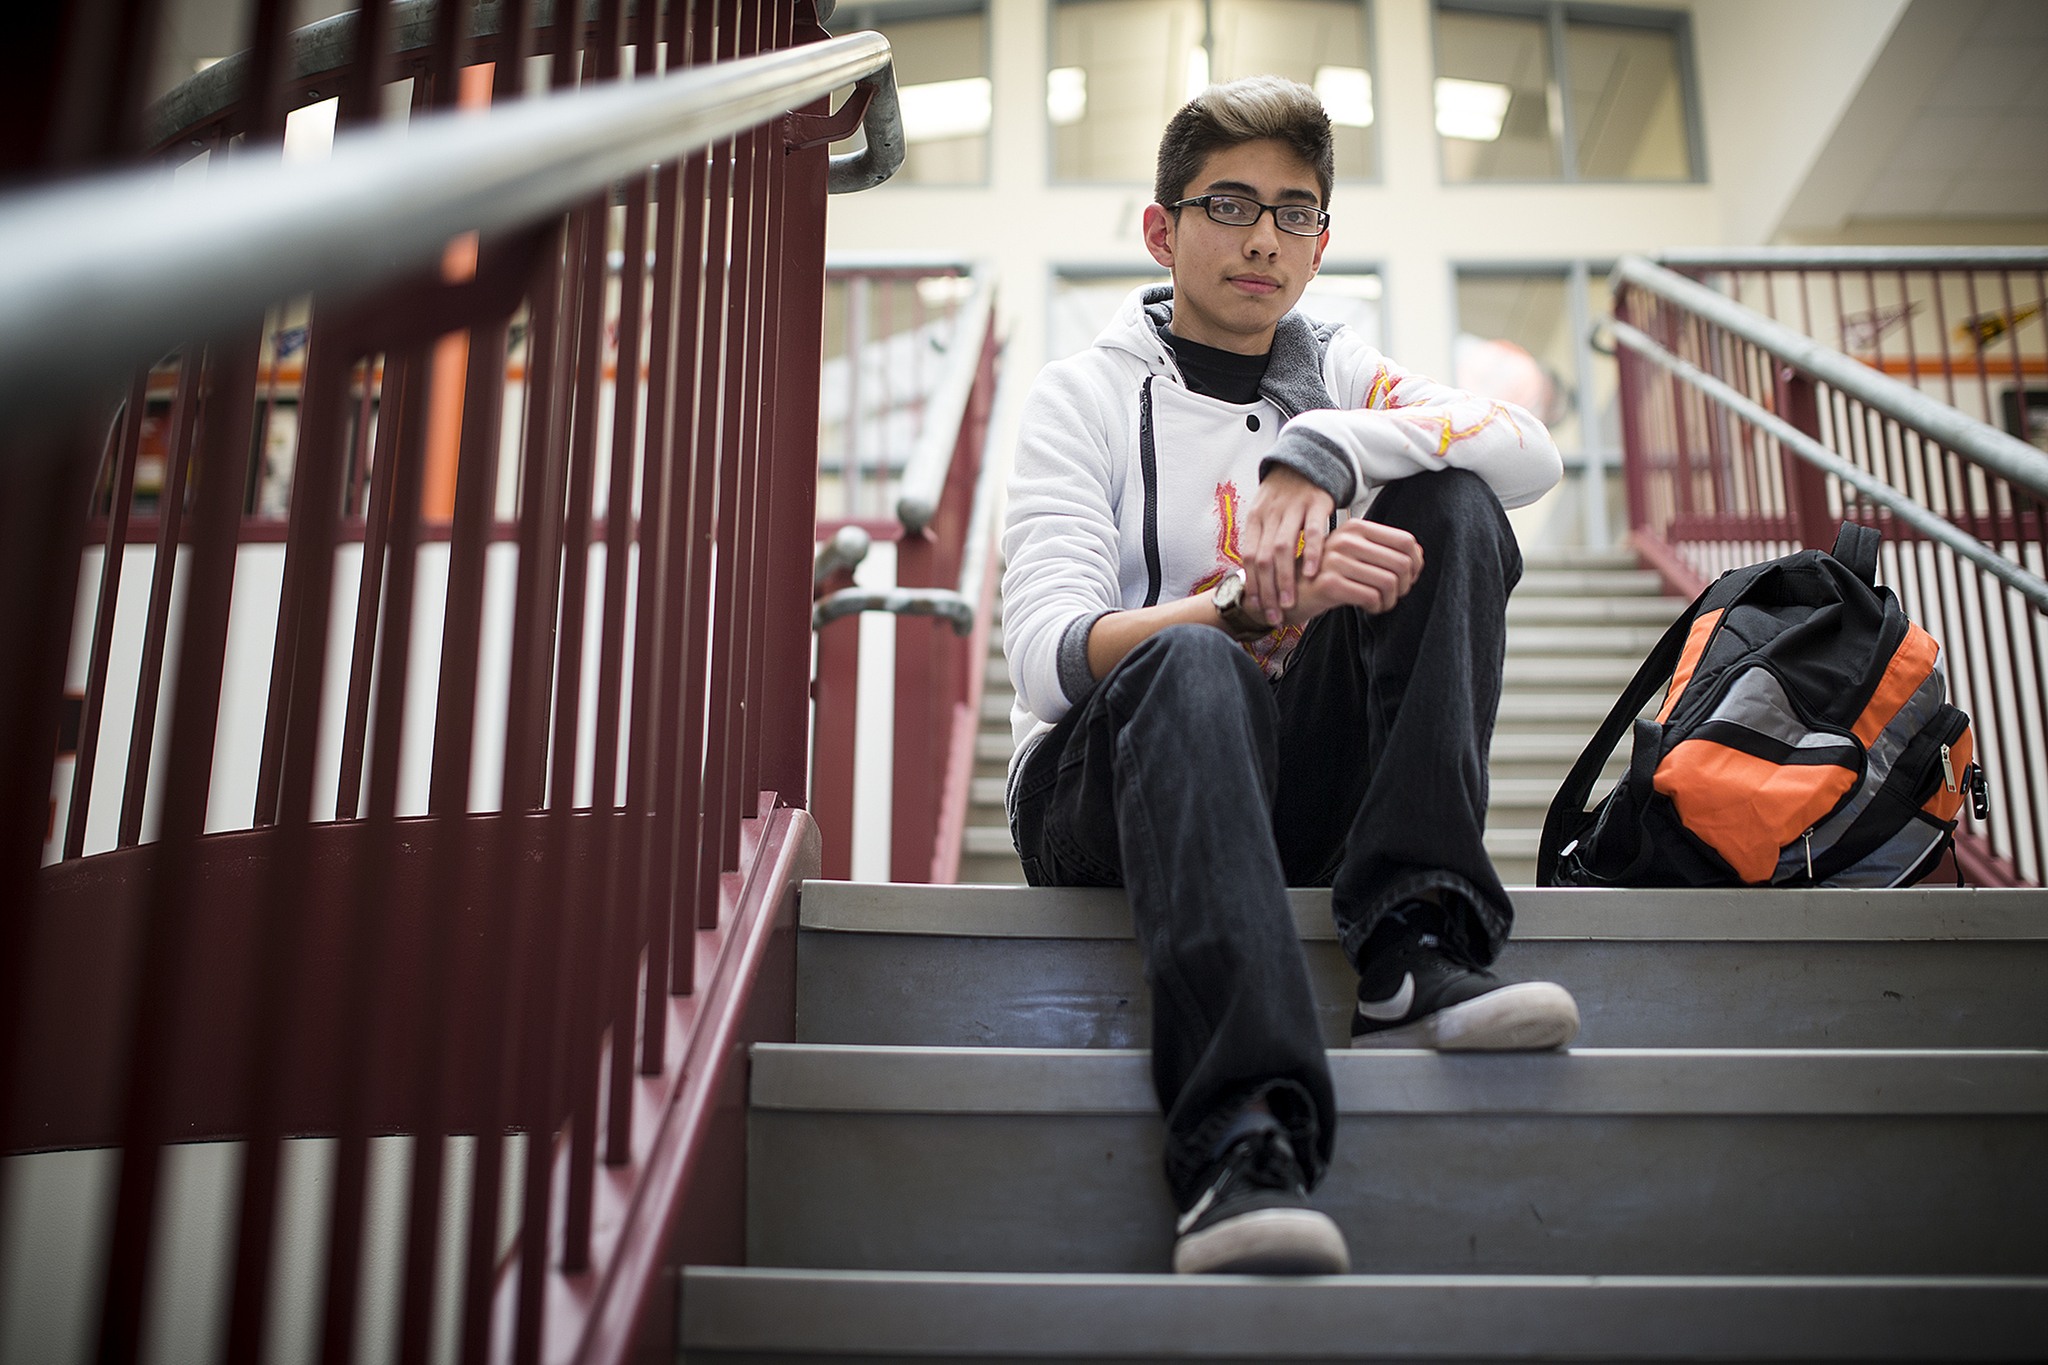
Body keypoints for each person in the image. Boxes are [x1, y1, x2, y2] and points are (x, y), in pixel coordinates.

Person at [999, 75, 1581, 1277]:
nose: (1262, 237)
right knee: (1195, 661)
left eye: (1294, 212)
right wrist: (1240, 602)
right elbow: (1047, 659)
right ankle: (1236, 1139)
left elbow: (1529, 452)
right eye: (1228, 205)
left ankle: (1414, 936)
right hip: (1099, 789)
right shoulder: (1081, 397)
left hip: (1286, 793)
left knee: (1453, 503)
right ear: (1161, 230)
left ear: (1321, 246)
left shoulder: (1340, 370)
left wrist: (1323, 450)